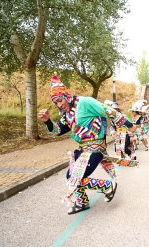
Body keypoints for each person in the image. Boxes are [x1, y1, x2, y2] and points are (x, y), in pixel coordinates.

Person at [38, 74, 135, 215]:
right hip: (83, 149)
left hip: (95, 149)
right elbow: (59, 130)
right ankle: (82, 202)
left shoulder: (85, 103)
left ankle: (107, 186)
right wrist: (47, 121)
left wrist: (129, 125)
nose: (59, 105)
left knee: (73, 177)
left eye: (60, 100)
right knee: (70, 177)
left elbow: (109, 111)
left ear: (66, 95)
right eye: (56, 103)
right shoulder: (67, 114)